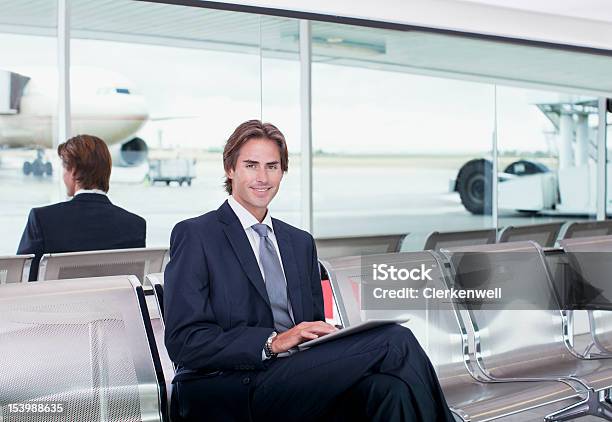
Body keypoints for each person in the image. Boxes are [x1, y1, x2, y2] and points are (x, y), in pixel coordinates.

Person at [164, 120, 454, 421]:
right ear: (230, 169)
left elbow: (309, 325)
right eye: (251, 165)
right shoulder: (197, 235)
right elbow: (185, 342)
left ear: (282, 172)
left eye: (272, 167)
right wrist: (272, 343)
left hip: (296, 375)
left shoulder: (298, 242)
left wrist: (331, 336)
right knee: (395, 339)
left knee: (390, 389)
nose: (262, 177)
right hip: (227, 384)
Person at [17, 134, 146, 281]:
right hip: (112, 304)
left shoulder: (42, 219)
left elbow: (21, 280)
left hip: (57, 304)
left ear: (73, 171)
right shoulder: (135, 225)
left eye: (64, 169)